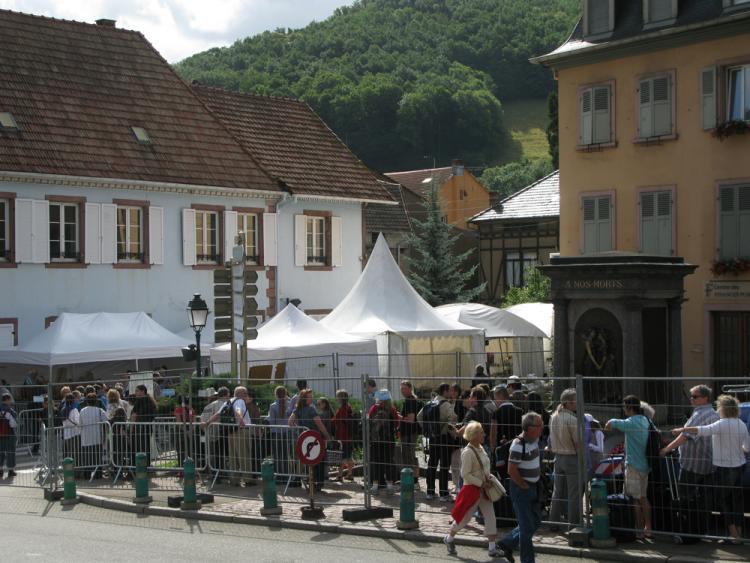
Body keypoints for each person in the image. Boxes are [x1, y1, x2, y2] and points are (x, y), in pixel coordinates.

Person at [673, 394, 750, 543]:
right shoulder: (740, 423)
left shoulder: (722, 423)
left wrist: (681, 429)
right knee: (737, 502)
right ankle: (738, 534)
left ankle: (734, 537)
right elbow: (747, 447)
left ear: (723, 408)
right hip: (740, 466)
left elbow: (702, 430)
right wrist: (736, 447)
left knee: (724, 501)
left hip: (724, 469)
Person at [443, 421, 503, 558]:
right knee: (464, 518)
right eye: (481, 432)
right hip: (472, 490)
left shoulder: (480, 448)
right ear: (474, 435)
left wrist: (488, 480)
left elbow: (484, 468)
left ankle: (492, 548)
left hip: (484, 490)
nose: (484, 434)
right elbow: (465, 475)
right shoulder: (467, 452)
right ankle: (449, 538)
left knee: (491, 517)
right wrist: (481, 483)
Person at [659, 384, 719, 519]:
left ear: (706, 398)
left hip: (693, 464)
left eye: (695, 397)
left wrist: (667, 449)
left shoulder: (700, 414)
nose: (691, 399)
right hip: (708, 463)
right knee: (704, 498)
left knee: (686, 496)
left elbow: (685, 436)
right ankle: (702, 524)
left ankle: (688, 524)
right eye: (691, 396)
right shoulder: (713, 413)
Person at [496, 411, 545, 563]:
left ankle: (506, 543)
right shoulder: (518, 445)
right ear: (530, 428)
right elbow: (512, 470)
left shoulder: (535, 438)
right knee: (525, 528)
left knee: (535, 522)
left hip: (534, 486)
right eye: (539, 425)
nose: (542, 427)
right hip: (521, 489)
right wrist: (524, 485)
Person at [605, 395, 652, 539]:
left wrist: (607, 424)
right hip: (645, 465)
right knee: (643, 497)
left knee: (634, 499)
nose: (623, 409)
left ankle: (638, 530)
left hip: (633, 465)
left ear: (629, 407)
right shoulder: (645, 420)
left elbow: (612, 422)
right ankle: (648, 528)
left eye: (624, 407)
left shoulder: (630, 422)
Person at [548, 388, 582, 530]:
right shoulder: (572, 419)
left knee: (557, 492)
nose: (578, 402)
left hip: (558, 457)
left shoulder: (554, 416)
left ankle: (553, 523)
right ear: (568, 403)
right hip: (571, 457)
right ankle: (573, 525)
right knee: (574, 493)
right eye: (576, 400)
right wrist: (582, 459)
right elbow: (577, 443)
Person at [418, 383, 457, 501]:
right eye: (450, 390)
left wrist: (427, 429)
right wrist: (450, 430)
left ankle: (430, 492)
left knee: (432, 464)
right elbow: (453, 418)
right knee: (444, 465)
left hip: (433, 438)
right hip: (444, 437)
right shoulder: (445, 404)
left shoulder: (430, 403)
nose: (451, 392)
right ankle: (444, 493)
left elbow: (419, 417)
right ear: (445, 391)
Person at [289, 389, 332, 489]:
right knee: (317, 460)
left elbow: (290, 422)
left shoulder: (297, 409)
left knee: (305, 459)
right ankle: (317, 483)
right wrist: (327, 436)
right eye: (310, 397)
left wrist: (299, 429)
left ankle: (305, 480)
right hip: (314, 438)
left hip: (303, 439)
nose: (312, 398)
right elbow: (319, 424)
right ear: (305, 399)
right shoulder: (311, 409)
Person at [367, 389, 400, 495]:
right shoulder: (392, 409)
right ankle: (390, 486)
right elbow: (396, 424)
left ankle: (375, 486)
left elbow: (369, 421)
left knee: (376, 462)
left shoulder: (373, 408)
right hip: (388, 440)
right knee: (389, 462)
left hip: (375, 440)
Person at [491, 385, 523, 478]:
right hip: (518, 446)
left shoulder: (496, 413)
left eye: (495, 398)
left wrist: (493, 448)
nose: (495, 401)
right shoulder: (520, 411)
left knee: (503, 474)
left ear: (500, 396)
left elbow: (493, 433)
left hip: (501, 448)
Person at [201, 387, 231, 479]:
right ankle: (223, 473)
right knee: (223, 455)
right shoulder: (227, 404)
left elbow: (202, 421)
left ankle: (214, 474)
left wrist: (206, 428)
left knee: (212, 455)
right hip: (224, 433)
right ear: (227, 394)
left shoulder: (208, 406)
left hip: (209, 433)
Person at [228, 386, 253, 487]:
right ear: (241, 394)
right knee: (244, 455)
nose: (247, 396)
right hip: (241, 431)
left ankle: (234, 479)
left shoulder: (229, 401)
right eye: (245, 394)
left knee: (233, 456)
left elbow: (218, 413)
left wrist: (207, 422)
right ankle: (248, 479)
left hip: (230, 431)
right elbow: (238, 410)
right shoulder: (240, 401)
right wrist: (241, 419)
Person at [79, 393, 108, 478]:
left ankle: (87, 475)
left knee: (87, 458)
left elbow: (80, 424)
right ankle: (98, 474)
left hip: (85, 439)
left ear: (87, 401)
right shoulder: (100, 411)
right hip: (97, 438)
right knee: (97, 457)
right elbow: (106, 422)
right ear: (96, 401)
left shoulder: (82, 411)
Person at [399, 380, 422, 484]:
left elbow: (411, 419)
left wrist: (398, 416)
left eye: (404, 388)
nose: (402, 390)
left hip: (409, 432)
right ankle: (413, 479)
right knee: (409, 455)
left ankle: (413, 480)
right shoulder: (411, 399)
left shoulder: (410, 401)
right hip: (409, 432)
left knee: (409, 455)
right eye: (401, 388)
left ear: (409, 389)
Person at [267, 386, 291, 480]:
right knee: (285, 455)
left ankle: (278, 476)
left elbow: (272, 421)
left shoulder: (273, 406)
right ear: (285, 394)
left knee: (277, 455)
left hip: (276, 433)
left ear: (276, 394)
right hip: (287, 432)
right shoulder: (289, 404)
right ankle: (285, 475)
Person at [332, 389, 354, 481]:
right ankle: (349, 474)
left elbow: (339, 420)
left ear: (341, 398)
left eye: (337, 396)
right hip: (347, 436)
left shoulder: (343, 409)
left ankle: (340, 475)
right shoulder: (347, 407)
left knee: (342, 456)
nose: (336, 398)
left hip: (344, 436)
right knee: (348, 456)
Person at [130, 385, 157, 460]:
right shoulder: (151, 400)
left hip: (139, 428)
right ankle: (147, 465)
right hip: (148, 427)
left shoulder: (139, 400)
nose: (135, 393)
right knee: (146, 447)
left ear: (142, 391)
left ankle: (140, 466)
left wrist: (131, 428)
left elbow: (134, 415)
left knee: (139, 448)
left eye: (137, 391)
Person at [0, 393, 18, 479]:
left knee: (0, 452)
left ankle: (0, 471)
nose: (11, 401)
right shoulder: (10, 411)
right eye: (10, 399)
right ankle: (11, 471)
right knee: (10, 452)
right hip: (9, 435)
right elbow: (13, 424)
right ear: (7, 400)